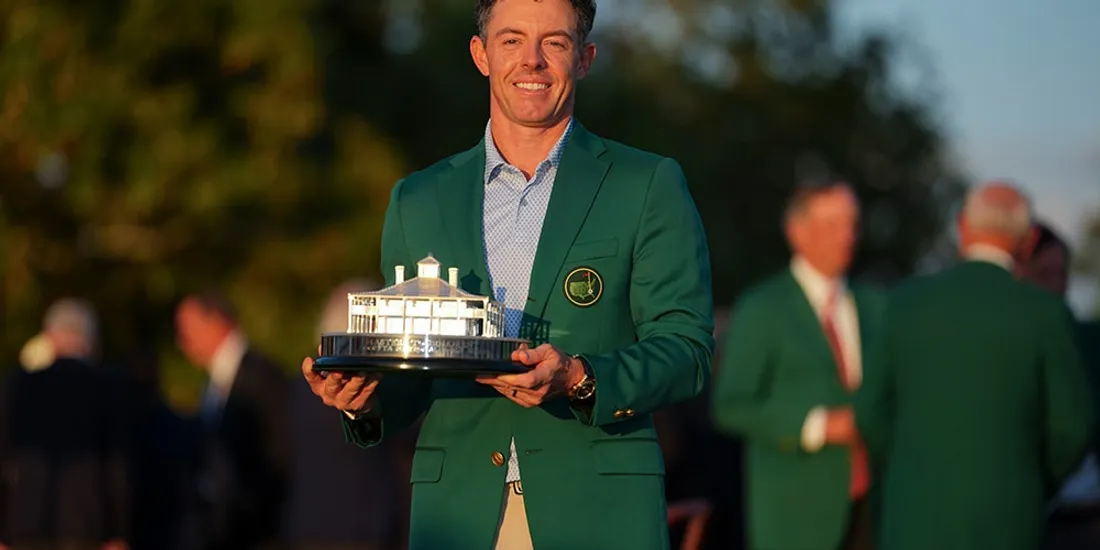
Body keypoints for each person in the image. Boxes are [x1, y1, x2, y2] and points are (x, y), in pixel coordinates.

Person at [301, 0, 715, 548]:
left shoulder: (646, 184)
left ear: (585, 57)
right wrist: (366, 400)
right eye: (513, 39)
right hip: (458, 514)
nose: (533, 61)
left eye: (556, 42)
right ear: (481, 53)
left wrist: (580, 377)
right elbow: (414, 373)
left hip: (597, 509)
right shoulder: (418, 199)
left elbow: (687, 349)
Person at [855, 182, 1095, 550]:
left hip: (914, 519)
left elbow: (870, 412)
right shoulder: (1045, 315)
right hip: (1009, 523)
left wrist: (912, 467)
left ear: (963, 227)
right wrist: (1028, 479)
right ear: (1029, 240)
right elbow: (1073, 428)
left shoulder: (905, 304)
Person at [711, 180, 883, 550]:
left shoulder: (874, 306)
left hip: (874, 508)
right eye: (834, 224)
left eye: (852, 223)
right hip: (797, 515)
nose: (848, 235)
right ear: (798, 232)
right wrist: (818, 425)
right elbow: (731, 406)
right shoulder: (763, 307)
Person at [0, 298, 131, 550]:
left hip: (25, 526)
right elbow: (117, 466)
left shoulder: (18, 386)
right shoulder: (108, 387)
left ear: (49, 336)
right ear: (90, 340)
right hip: (87, 528)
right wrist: (118, 531)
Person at [175, 292, 290, 550]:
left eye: (187, 330)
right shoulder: (214, 381)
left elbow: (280, 454)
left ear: (215, 321)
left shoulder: (262, 376)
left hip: (260, 530)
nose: (182, 342)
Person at [1021, 222, 1100, 550]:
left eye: (1061, 273)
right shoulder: (1011, 350)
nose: (1057, 286)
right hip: (1030, 518)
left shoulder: (1088, 342)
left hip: (1085, 518)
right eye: (1044, 274)